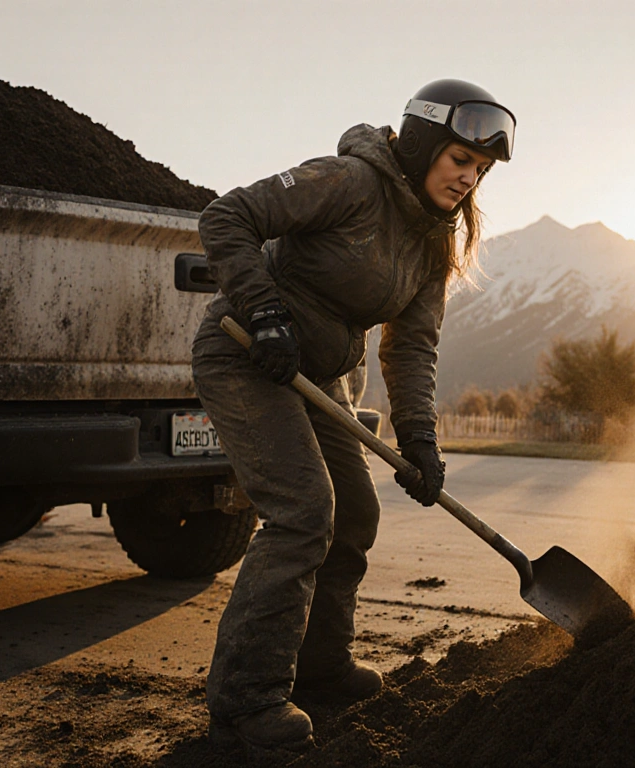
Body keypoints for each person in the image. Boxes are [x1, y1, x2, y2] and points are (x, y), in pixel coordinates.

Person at [190, 78, 516, 754]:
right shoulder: (348, 181)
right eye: (461, 160)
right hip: (247, 352)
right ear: (424, 140)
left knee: (356, 513)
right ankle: (244, 704)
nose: (469, 179)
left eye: (480, 171)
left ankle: (321, 668)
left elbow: (413, 344)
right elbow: (227, 217)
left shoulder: (432, 241)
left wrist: (420, 438)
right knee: (304, 512)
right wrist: (266, 312)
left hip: (317, 376)